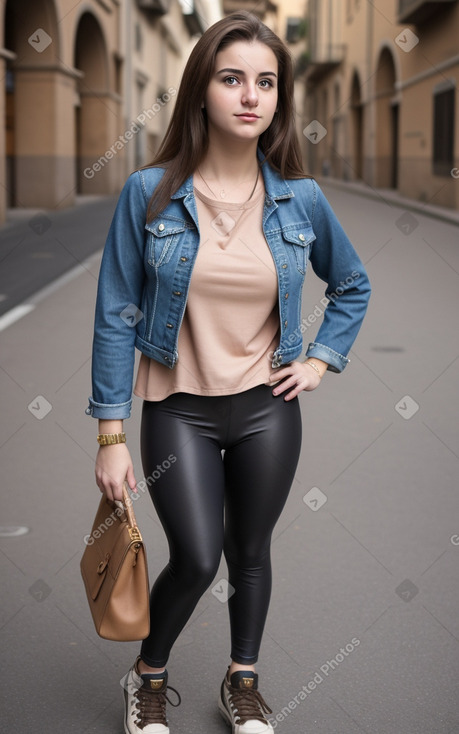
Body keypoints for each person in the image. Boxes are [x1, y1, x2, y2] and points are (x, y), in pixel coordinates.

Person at [85, 10, 371, 734]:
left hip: (266, 406)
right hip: (178, 405)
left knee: (249, 551)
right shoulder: (148, 193)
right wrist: (110, 434)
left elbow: (352, 283)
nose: (250, 95)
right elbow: (117, 310)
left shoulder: (298, 197)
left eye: (266, 82)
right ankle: (148, 675)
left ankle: (241, 681)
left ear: (279, 100)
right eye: (232, 78)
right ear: (202, 92)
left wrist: (316, 362)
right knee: (196, 554)